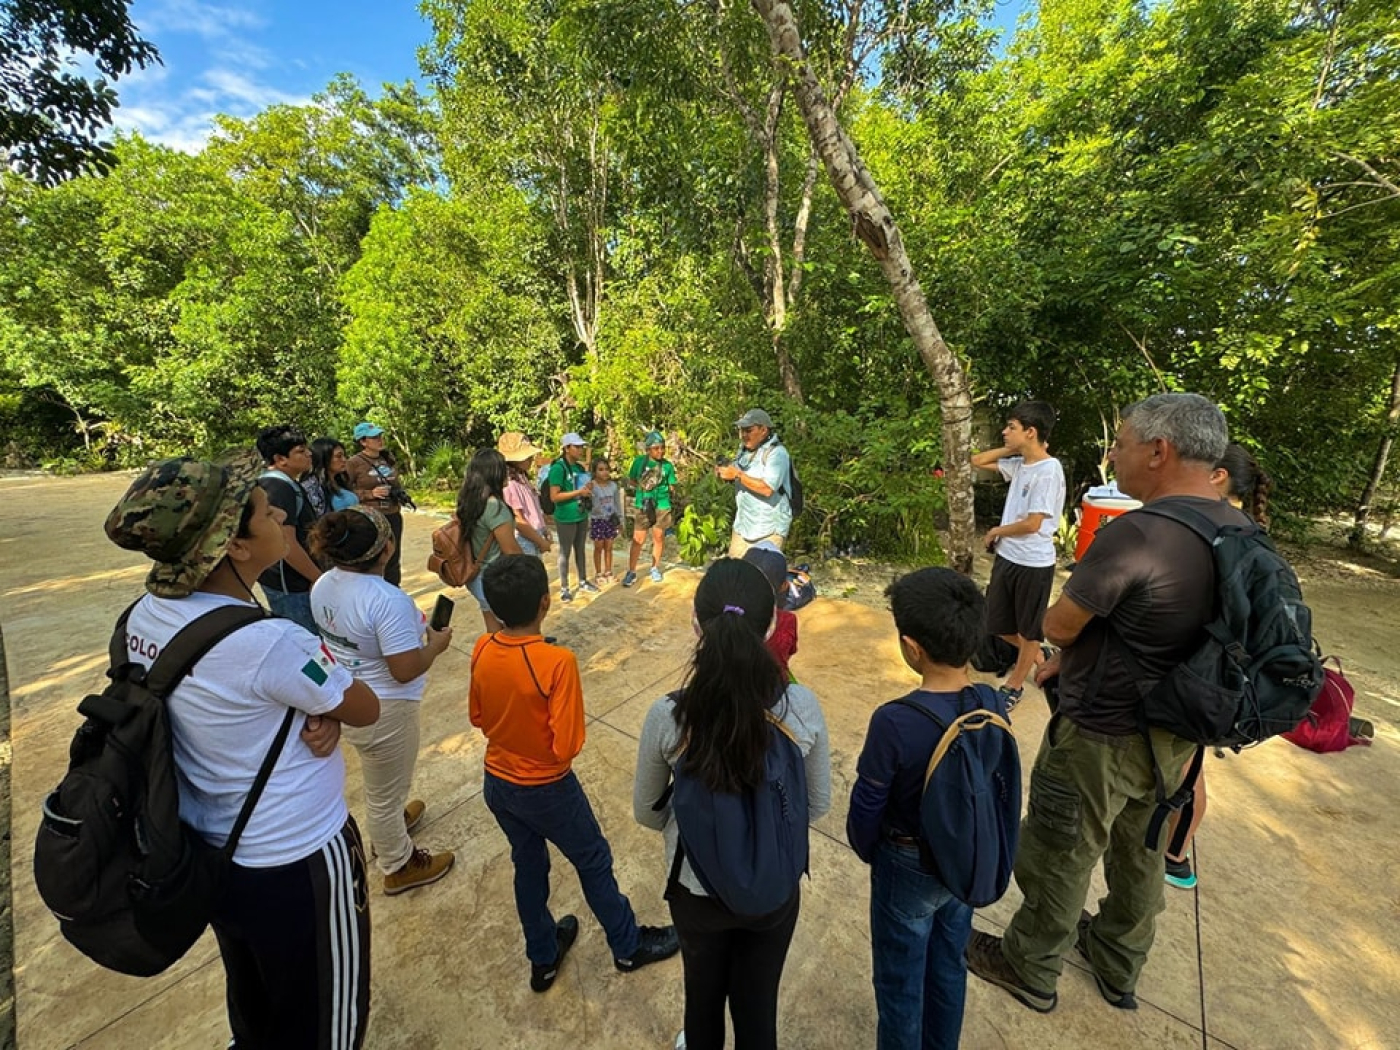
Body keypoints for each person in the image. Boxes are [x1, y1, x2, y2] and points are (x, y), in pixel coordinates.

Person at [966, 392, 1245, 1014]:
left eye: (1119, 444)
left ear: (1159, 450)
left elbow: (1061, 626)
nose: (1111, 454)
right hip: (1175, 732)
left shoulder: (1141, 533)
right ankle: (1119, 963)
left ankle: (1030, 965)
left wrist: (1057, 645)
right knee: (1141, 844)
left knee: (1060, 846)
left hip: (1102, 728)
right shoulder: (1237, 530)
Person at [104, 450, 379, 1047]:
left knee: (255, 993)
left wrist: (308, 710)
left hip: (210, 855)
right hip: (296, 857)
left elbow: (214, 714)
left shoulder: (140, 618)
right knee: (325, 1022)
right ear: (233, 546)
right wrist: (322, 708)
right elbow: (363, 706)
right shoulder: (269, 641)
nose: (279, 510)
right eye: (261, 509)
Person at [632, 558, 831, 1050]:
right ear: (770, 626)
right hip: (775, 889)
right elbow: (818, 804)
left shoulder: (669, 716)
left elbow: (647, 812)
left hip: (696, 891)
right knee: (758, 1006)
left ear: (696, 625)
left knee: (702, 1000)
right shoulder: (800, 709)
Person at [470, 554, 681, 993]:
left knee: (527, 865)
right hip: (548, 788)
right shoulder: (556, 662)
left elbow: (477, 717)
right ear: (545, 603)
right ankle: (627, 946)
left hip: (497, 781)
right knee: (593, 861)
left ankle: (543, 958)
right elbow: (567, 746)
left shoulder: (483, 648)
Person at [847, 568, 995, 1050]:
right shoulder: (992, 704)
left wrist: (872, 850)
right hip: (964, 860)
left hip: (906, 862)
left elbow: (867, 807)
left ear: (912, 647)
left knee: (899, 980)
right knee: (949, 964)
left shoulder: (894, 720)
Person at [310, 506, 456, 895]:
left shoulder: (323, 583)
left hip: (349, 695)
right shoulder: (386, 600)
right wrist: (436, 646)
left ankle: (391, 824)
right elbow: (405, 669)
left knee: (382, 780)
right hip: (387, 707)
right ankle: (398, 863)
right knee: (383, 794)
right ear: (386, 548)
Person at [1162, 442, 1272, 890]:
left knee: (1189, 770)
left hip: (1208, 674)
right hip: (1217, 673)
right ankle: (1173, 848)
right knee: (1187, 765)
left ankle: (1175, 856)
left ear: (1220, 476)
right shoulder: (1247, 531)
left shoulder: (1226, 533)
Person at [970, 401, 1067, 706]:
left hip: (1033, 562)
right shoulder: (1020, 465)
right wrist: (1013, 449)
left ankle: (1014, 686)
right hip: (1008, 557)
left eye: (1011, 427)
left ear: (1031, 431)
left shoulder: (1049, 471)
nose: (1004, 431)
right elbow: (977, 459)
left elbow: (1034, 523)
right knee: (997, 623)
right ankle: (1038, 653)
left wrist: (996, 531)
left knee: (1028, 626)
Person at [254, 424, 321, 633]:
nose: (309, 453)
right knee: (307, 643)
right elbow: (287, 543)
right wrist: (317, 578)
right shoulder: (278, 488)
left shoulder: (283, 483)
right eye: (300, 451)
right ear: (280, 459)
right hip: (291, 586)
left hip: (291, 582)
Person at [456, 448, 525, 634]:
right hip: (495, 581)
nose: (508, 472)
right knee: (514, 631)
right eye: (503, 468)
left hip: (475, 577)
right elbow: (511, 550)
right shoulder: (495, 507)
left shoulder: (469, 501)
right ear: (494, 473)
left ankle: (494, 660)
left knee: (493, 627)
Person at [717, 409, 793, 558]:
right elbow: (740, 477)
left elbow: (767, 489)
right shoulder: (744, 451)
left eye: (748, 430)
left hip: (769, 530)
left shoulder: (777, 453)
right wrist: (725, 474)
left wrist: (737, 474)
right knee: (734, 575)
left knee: (761, 578)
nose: (744, 435)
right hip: (743, 526)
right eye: (742, 431)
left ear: (763, 430)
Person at [345, 421, 407, 586]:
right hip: (371, 517)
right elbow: (343, 492)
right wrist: (369, 494)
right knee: (374, 556)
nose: (380, 440)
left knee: (393, 556)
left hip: (392, 514)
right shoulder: (353, 463)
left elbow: (396, 482)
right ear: (363, 441)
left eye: (380, 436)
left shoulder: (387, 458)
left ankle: (394, 589)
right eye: (374, 438)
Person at [622, 431, 678, 587]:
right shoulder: (639, 462)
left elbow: (672, 484)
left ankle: (654, 567)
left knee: (659, 536)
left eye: (662, 448)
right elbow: (632, 480)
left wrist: (670, 490)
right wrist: (643, 488)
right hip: (643, 504)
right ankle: (631, 571)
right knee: (638, 539)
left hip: (662, 504)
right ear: (648, 450)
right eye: (656, 448)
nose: (660, 451)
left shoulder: (667, 465)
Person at [547, 432, 597, 602]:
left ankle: (583, 581)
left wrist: (588, 489)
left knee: (580, 549)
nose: (581, 450)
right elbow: (554, 496)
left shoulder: (579, 468)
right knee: (565, 552)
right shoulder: (558, 468)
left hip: (580, 514)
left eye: (581, 446)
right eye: (577, 447)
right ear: (566, 448)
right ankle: (564, 587)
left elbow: (583, 489)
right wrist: (579, 492)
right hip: (565, 516)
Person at [742, 541, 799, 680]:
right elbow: (789, 651)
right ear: (784, 586)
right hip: (773, 689)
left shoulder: (725, 612)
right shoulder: (788, 620)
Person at [498, 432, 553, 558]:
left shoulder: (522, 478)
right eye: (527, 457)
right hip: (523, 539)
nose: (531, 459)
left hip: (533, 535)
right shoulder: (510, 484)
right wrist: (541, 542)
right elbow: (518, 519)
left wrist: (543, 529)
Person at [302, 437, 359, 519]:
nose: (344, 460)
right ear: (324, 458)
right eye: (338, 456)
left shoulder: (339, 482)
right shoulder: (312, 487)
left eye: (344, 455)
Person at [588, 458, 621, 582]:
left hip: (610, 520)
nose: (605, 472)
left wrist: (620, 521)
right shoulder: (592, 486)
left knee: (609, 547)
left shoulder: (613, 486)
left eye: (607, 469)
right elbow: (586, 503)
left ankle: (608, 571)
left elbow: (617, 504)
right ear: (595, 472)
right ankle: (598, 573)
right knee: (598, 547)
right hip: (597, 520)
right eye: (601, 470)